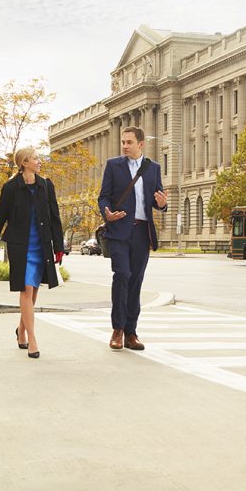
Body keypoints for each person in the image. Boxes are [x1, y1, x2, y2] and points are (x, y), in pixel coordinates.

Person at [0, 147, 64, 359]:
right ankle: (32, 340)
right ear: (25, 162)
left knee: (33, 291)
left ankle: (21, 332)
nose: (39, 162)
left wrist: (59, 247)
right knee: (26, 289)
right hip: (20, 246)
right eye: (36, 158)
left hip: (41, 245)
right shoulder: (11, 188)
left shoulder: (46, 185)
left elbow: (55, 217)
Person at [98, 126, 167, 350]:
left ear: (141, 144)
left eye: (129, 142)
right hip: (118, 231)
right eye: (123, 142)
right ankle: (117, 329)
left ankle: (131, 332)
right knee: (122, 275)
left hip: (141, 231)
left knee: (136, 280)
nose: (125, 146)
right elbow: (104, 197)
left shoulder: (153, 168)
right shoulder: (113, 165)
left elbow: (158, 198)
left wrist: (162, 204)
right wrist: (107, 212)